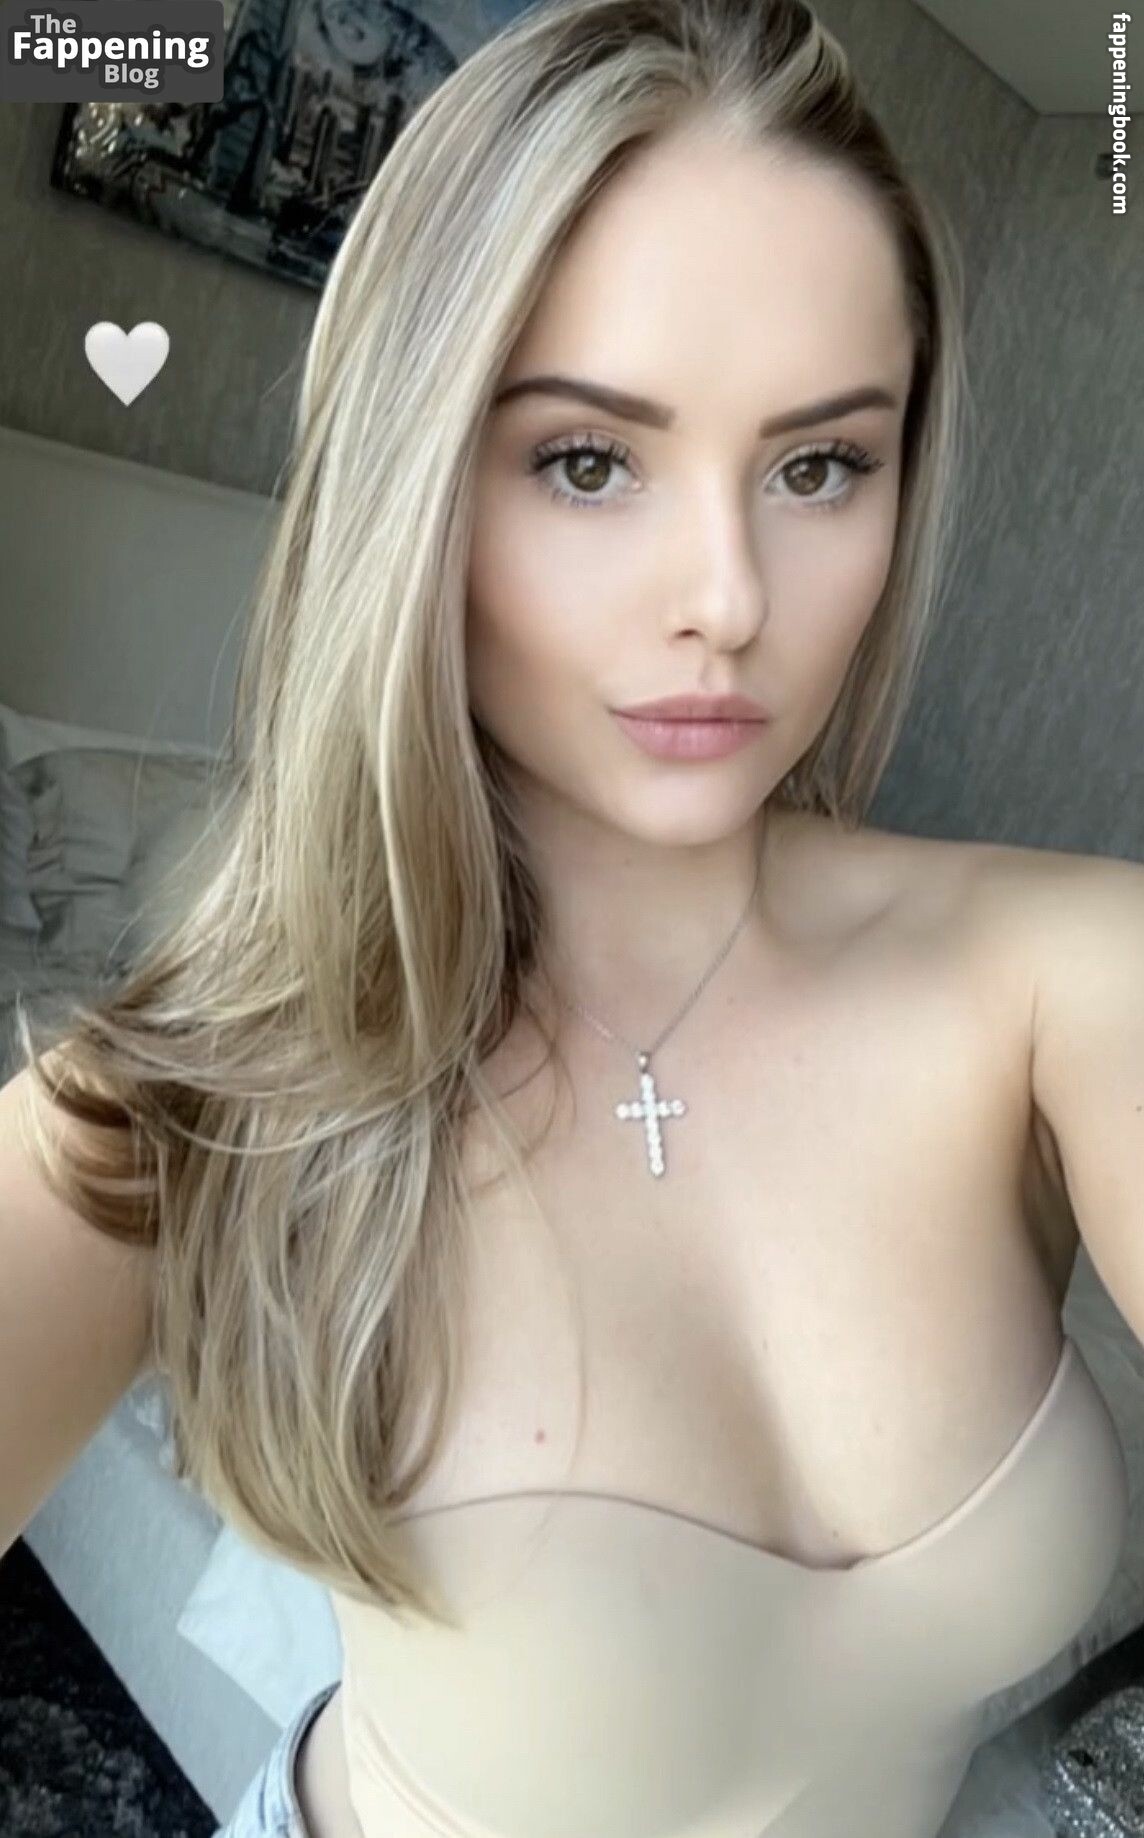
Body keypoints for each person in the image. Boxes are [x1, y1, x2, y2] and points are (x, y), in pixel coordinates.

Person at [2, 1, 1137, 1835]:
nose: (729, 597)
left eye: (820, 465)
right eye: (589, 460)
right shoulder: (190, 1097)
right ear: (418, 487)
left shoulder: (1064, 977)